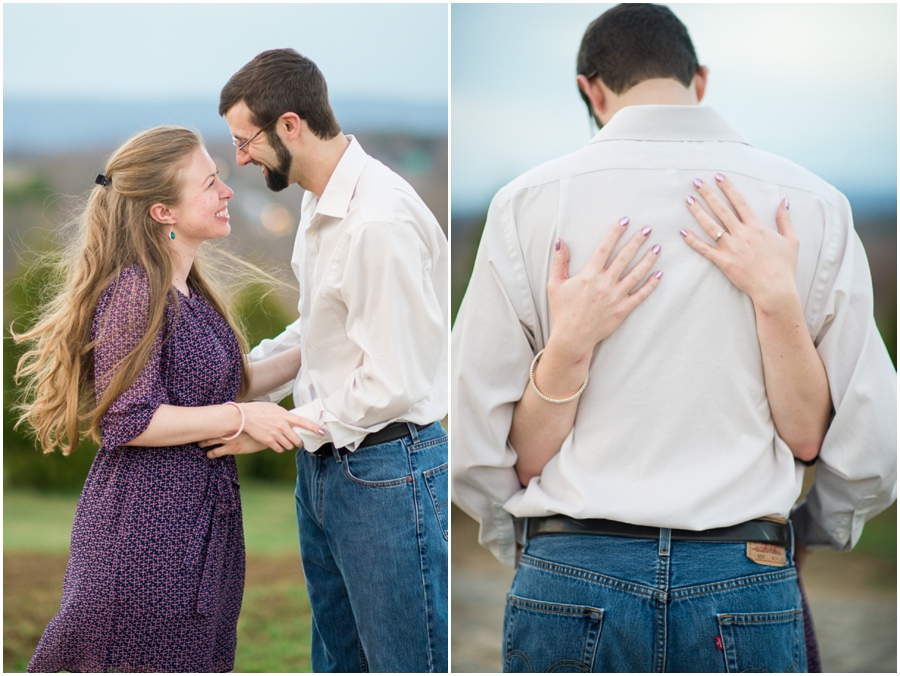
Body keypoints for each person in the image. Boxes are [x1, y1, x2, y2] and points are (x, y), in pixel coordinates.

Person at [451, 4, 896, 672]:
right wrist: (791, 536)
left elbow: (471, 445)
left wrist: (535, 544)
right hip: (746, 570)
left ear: (590, 91)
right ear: (701, 80)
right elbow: (872, 452)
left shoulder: (528, 205)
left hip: (571, 571)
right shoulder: (813, 206)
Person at [15, 125, 323, 673]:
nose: (227, 191)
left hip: (200, 532)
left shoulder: (190, 289)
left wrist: (320, 343)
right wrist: (242, 416)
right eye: (210, 183)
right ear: (164, 212)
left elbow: (228, 383)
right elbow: (127, 418)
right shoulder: (136, 290)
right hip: (143, 540)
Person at [206, 49, 449, 673]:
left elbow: (393, 380)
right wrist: (235, 385)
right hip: (325, 470)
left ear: (291, 124)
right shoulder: (319, 202)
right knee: (338, 662)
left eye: (245, 139)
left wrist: (278, 427)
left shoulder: (379, 222)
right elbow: (320, 329)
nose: (239, 158)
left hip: (389, 471)